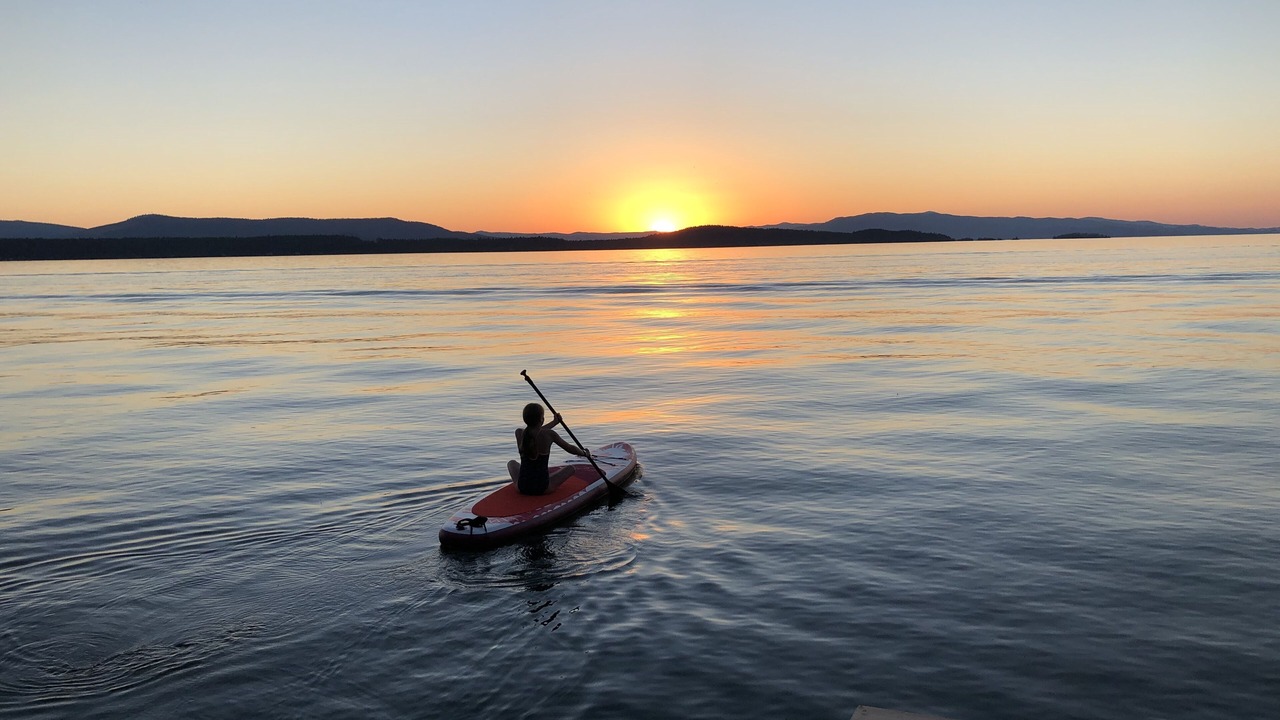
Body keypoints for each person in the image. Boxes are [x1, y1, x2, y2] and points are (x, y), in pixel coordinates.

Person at [507, 402, 588, 495]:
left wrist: (554, 422)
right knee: (571, 469)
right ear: (542, 419)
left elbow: (534, 432)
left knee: (511, 463)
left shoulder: (519, 433)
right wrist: (584, 453)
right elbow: (570, 448)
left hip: (522, 487)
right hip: (543, 488)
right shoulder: (549, 434)